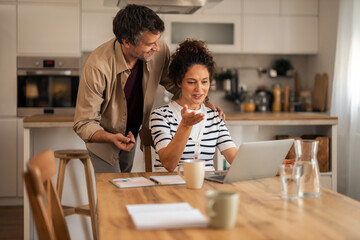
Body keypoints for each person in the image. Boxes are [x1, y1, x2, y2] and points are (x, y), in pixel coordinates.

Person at [73, 5, 224, 173]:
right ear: (127, 41)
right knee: (111, 194)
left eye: (157, 41)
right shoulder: (97, 66)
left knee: (126, 190)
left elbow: (178, 85)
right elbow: (84, 122)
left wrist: (205, 102)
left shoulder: (158, 52)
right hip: (104, 139)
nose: (157, 48)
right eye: (150, 43)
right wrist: (110, 137)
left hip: (132, 133)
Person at [150, 39, 237, 172]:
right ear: (179, 82)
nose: (199, 89)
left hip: (206, 189)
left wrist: (274, 166)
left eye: (204, 82)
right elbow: (169, 164)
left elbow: (234, 157)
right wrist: (185, 125)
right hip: (169, 189)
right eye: (191, 82)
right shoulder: (161, 116)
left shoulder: (214, 117)